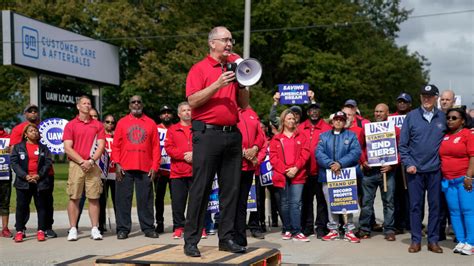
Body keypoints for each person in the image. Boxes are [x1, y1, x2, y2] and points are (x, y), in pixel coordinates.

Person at [183, 26, 248, 257]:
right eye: (225, 40)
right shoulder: (199, 69)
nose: (230, 44)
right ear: (212, 43)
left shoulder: (232, 68)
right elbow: (192, 100)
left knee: (230, 190)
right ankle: (191, 240)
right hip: (207, 135)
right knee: (201, 188)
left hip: (232, 134)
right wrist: (217, 85)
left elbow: (244, 104)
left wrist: (241, 82)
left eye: (231, 40)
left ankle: (226, 238)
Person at [399, 84, 447, 253]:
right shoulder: (411, 117)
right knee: (415, 206)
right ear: (420, 98)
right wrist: (409, 163)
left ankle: (433, 240)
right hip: (415, 171)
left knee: (435, 206)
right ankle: (416, 240)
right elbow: (403, 145)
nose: (426, 99)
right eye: (423, 96)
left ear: (436, 98)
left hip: (435, 170)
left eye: (430, 96)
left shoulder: (443, 117)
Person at [112, 95, 160, 240]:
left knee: (145, 199)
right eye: (133, 102)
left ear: (142, 105)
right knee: (122, 200)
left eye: (139, 101)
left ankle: (148, 228)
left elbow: (156, 147)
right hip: (125, 167)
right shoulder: (122, 122)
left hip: (145, 167)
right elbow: (116, 146)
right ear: (129, 105)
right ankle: (123, 229)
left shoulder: (151, 123)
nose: (136, 104)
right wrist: (117, 164)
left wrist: (155, 166)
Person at [10, 104, 57, 238]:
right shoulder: (18, 129)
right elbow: (14, 154)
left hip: (44, 175)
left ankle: (46, 228)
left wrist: (39, 174)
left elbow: (49, 157)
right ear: (25, 114)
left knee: (46, 204)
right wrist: (25, 175)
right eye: (30, 111)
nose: (33, 113)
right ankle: (20, 229)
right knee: (23, 204)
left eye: (35, 111)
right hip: (24, 177)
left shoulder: (46, 127)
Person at [63, 95, 106, 241]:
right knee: (74, 197)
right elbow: (67, 147)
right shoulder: (71, 125)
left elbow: (101, 145)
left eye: (89, 103)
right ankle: (73, 228)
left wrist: (91, 160)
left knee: (94, 197)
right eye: (84, 103)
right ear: (78, 106)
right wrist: (82, 161)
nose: (87, 105)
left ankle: (95, 228)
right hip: (76, 164)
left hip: (93, 165)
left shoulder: (98, 125)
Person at [316, 111, 361, 243]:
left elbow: (355, 152)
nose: (338, 122)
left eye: (341, 120)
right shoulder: (324, 136)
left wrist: (341, 163)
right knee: (331, 204)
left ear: (345, 122)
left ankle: (349, 230)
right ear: (332, 121)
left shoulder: (351, 136)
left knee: (348, 202)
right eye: (336, 119)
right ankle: (333, 230)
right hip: (328, 175)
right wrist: (330, 164)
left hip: (347, 175)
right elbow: (319, 153)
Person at [358, 103, 399, 241]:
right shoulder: (366, 129)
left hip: (387, 172)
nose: (378, 114)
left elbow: (402, 149)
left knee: (389, 202)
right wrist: (363, 161)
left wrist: (393, 164)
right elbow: (359, 147)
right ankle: (364, 229)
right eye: (376, 111)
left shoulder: (395, 130)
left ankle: (389, 230)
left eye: (381, 111)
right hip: (369, 172)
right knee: (366, 202)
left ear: (388, 113)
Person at [270, 109, 310, 241]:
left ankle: (297, 231)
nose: (292, 121)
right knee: (284, 203)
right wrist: (286, 170)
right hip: (282, 175)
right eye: (289, 119)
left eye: (293, 119)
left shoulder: (301, 136)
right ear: (283, 121)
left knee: (295, 203)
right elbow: (273, 158)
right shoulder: (276, 138)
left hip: (298, 174)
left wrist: (296, 168)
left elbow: (306, 153)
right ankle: (287, 229)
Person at [439, 107, 474, 255]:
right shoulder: (445, 135)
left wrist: (469, 176)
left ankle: (471, 242)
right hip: (448, 181)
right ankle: (461, 240)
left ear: (462, 121)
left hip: (463, 179)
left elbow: (473, 156)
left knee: (468, 211)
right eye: (448, 118)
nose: (450, 120)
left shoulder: (468, 134)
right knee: (454, 212)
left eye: (454, 118)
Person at [298, 103, 332, 238]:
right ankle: (307, 226)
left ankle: (321, 227)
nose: (314, 112)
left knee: (322, 201)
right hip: (304, 171)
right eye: (311, 110)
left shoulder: (327, 128)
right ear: (307, 113)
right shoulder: (300, 127)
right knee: (306, 201)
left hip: (321, 171)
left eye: (317, 110)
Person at [234, 101, 264, 245]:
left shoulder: (252, 113)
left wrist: (255, 149)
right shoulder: (229, 111)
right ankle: (229, 236)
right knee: (231, 203)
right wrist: (243, 151)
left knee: (242, 204)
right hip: (233, 165)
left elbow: (261, 136)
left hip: (249, 167)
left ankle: (240, 239)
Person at [164, 102, 195, 239]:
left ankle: (197, 227)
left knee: (196, 201)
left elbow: (204, 145)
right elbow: (169, 148)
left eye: (189, 110)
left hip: (195, 171)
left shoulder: (198, 128)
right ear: (179, 114)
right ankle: (178, 227)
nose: (187, 112)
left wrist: (195, 155)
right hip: (178, 172)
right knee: (178, 202)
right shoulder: (172, 129)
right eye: (184, 110)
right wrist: (185, 155)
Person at [154, 105, 173, 234]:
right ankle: (159, 223)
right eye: (163, 113)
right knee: (159, 198)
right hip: (160, 169)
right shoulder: (155, 129)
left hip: (174, 169)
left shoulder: (176, 128)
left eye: (168, 113)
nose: (166, 115)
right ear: (160, 116)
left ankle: (178, 223)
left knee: (176, 198)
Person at [98, 114, 117, 234]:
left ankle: (120, 224)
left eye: (112, 122)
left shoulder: (117, 136)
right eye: (107, 122)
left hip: (115, 173)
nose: (110, 124)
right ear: (103, 122)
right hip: (102, 173)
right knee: (101, 201)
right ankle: (101, 224)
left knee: (117, 200)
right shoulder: (100, 135)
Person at [0, 126, 11, 238]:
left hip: (4, 174)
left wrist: (11, 150)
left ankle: (5, 228)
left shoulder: (8, 138)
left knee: (5, 202)